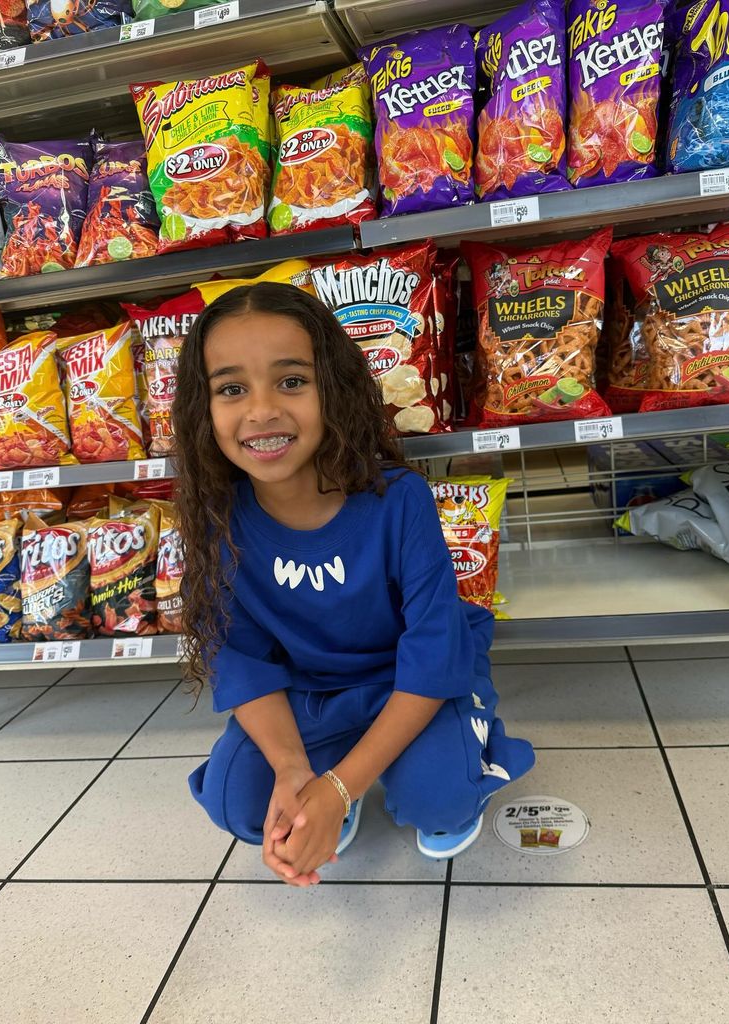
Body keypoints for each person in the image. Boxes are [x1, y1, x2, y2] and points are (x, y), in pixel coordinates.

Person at [173, 282, 534, 887]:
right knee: (240, 804)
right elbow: (243, 662)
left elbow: (431, 654)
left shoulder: (399, 500)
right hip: (309, 695)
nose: (262, 410)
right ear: (203, 409)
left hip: (415, 685)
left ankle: (453, 747)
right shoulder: (219, 519)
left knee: (438, 801)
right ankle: (337, 764)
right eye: (232, 389)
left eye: (291, 381)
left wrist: (338, 788)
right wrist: (294, 774)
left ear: (332, 389)